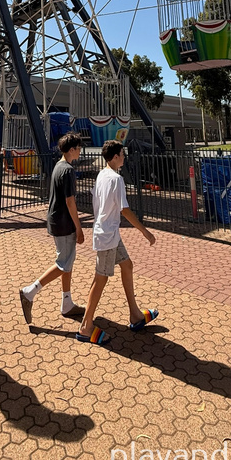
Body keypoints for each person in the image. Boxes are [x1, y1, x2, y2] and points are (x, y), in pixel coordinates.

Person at [77, 139, 158, 345]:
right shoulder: (116, 179)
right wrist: (145, 232)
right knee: (101, 278)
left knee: (127, 265)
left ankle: (135, 314)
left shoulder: (102, 175)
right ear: (115, 157)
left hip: (109, 232)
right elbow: (125, 209)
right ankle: (86, 326)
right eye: (122, 154)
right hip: (107, 235)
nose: (124, 157)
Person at [19, 132, 85, 323]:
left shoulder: (59, 166)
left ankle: (67, 302)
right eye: (79, 148)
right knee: (63, 263)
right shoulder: (68, 170)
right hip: (65, 222)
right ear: (72, 149)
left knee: (67, 262)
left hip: (57, 220)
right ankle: (29, 292)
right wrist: (79, 227)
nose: (80, 151)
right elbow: (70, 201)